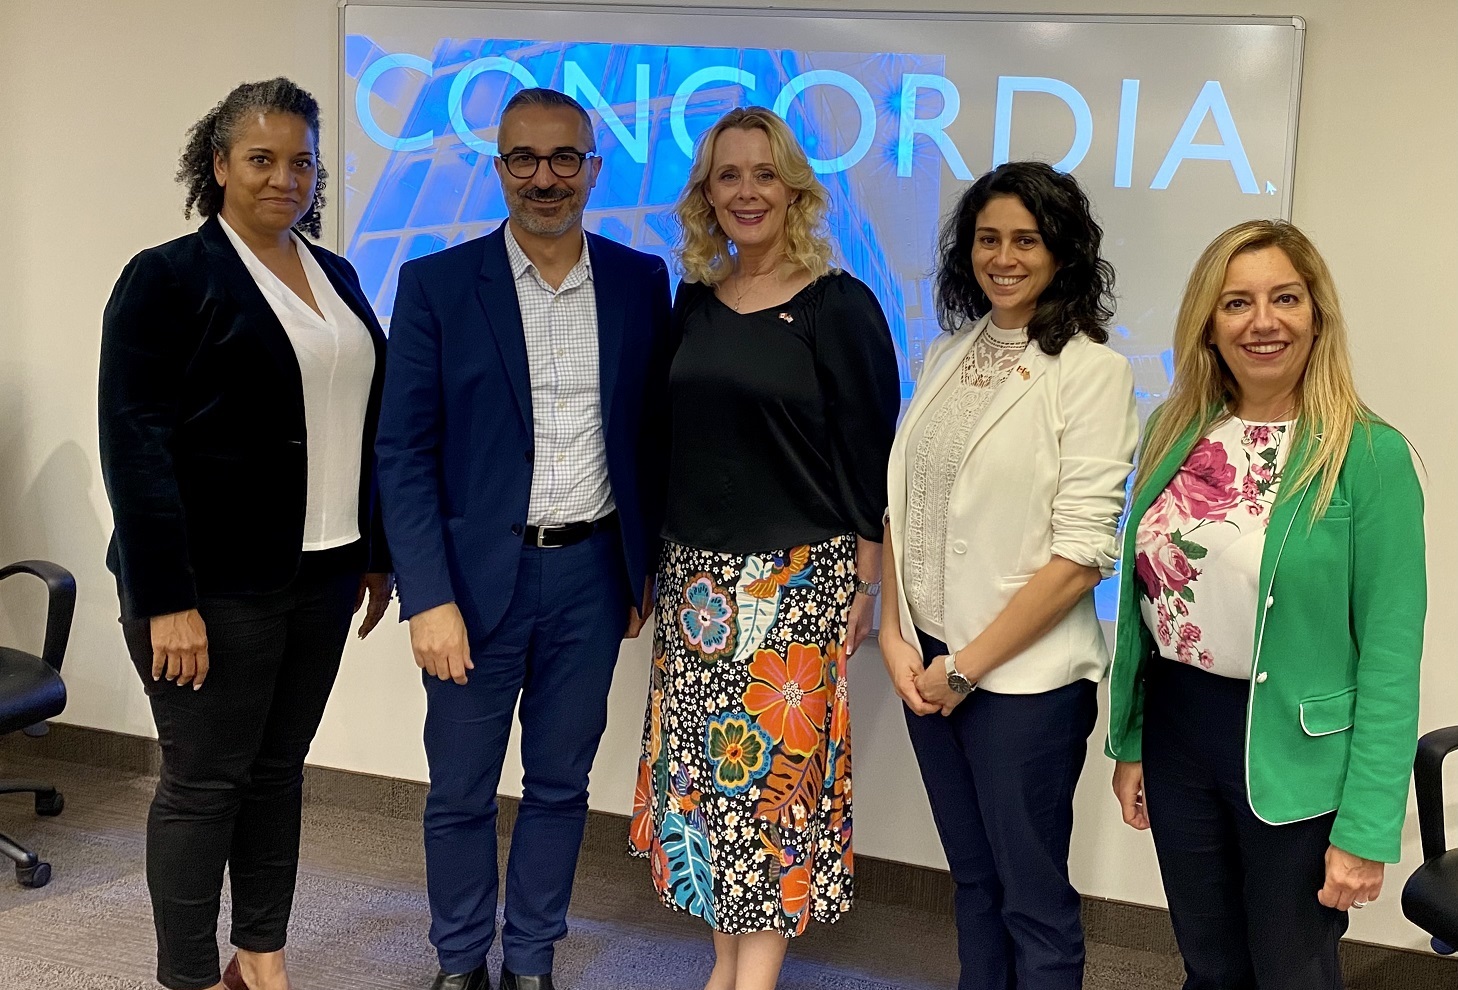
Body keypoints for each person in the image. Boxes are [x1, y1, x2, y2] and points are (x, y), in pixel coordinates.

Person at [374, 87, 674, 990]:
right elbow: (403, 451)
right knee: (460, 790)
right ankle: (461, 962)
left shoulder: (637, 281)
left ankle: (532, 960)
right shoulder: (434, 284)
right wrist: (426, 595)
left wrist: (641, 570)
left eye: (563, 159)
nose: (545, 178)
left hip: (590, 575)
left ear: (592, 167)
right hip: (469, 584)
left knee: (558, 786)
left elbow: (653, 436)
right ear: (498, 167)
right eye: (523, 159)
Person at [98, 78, 394, 990]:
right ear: (217, 164)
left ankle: (259, 956)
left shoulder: (334, 274)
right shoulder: (168, 277)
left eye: (300, 160)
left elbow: (361, 419)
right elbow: (134, 448)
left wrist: (375, 550)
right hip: (212, 588)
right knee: (203, 785)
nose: (283, 178)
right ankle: (186, 977)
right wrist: (167, 600)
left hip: (322, 573)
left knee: (276, 773)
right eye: (260, 158)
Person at [1105, 220, 1426, 990]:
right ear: (1209, 324)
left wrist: (1368, 828)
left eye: (1285, 298)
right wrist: (1132, 741)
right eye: (1237, 302)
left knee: (1291, 971)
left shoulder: (1368, 454)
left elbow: (1390, 655)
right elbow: (1149, 604)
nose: (1263, 321)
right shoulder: (1175, 430)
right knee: (1208, 963)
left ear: (1316, 313)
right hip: (1181, 730)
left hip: (1296, 749)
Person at [627, 106, 900, 990]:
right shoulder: (694, 302)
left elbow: (870, 450)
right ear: (707, 195)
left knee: (772, 787)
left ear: (794, 189)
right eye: (728, 176)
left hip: (797, 582)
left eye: (763, 174)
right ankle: (722, 965)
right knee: (707, 786)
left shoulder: (839, 305)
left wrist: (867, 581)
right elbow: (669, 442)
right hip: (694, 582)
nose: (747, 191)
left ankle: (754, 978)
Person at [878, 161, 1137, 990]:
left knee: (1031, 899)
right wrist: (894, 635)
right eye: (988, 238)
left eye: (1026, 239)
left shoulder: (1093, 372)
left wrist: (966, 666)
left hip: (1019, 685)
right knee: (974, 883)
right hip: (928, 663)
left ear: (1063, 251)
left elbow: (1082, 556)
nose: (1004, 256)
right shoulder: (951, 352)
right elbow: (903, 505)